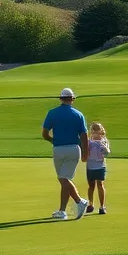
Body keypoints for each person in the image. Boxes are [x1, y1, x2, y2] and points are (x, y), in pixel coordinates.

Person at [41, 88, 89, 220]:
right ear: (72, 99)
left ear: (61, 98)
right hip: (74, 149)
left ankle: (79, 201)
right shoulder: (78, 114)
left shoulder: (52, 113)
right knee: (65, 178)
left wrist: (53, 140)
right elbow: (84, 136)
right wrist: (86, 152)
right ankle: (62, 211)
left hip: (58, 149)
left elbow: (45, 134)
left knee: (63, 178)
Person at [85, 122, 110, 215]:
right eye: (93, 130)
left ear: (101, 131)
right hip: (90, 166)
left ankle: (102, 206)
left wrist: (105, 149)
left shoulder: (104, 141)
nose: (95, 132)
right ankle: (90, 204)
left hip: (100, 166)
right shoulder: (89, 142)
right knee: (91, 186)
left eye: (97, 130)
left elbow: (107, 152)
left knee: (100, 184)